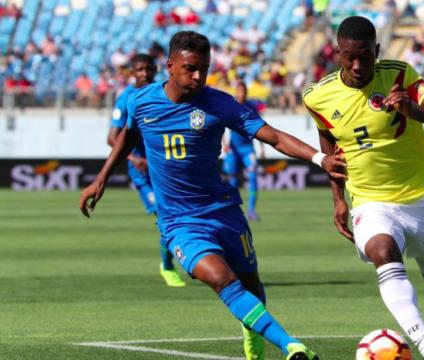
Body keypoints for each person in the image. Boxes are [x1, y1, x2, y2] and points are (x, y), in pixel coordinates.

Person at [80, 31, 346, 360]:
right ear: (170, 66)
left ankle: (253, 333)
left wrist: (320, 159)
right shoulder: (141, 101)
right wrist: (102, 178)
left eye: (204, 69)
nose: (198, 76)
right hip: (180, 221)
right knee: (221, 279)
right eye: (191, 68)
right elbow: (128, 135)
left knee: (251, 285)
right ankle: (292, 346)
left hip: (223, 211)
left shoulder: (218, 103)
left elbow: (273, 136)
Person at [302, 16, 424, 360]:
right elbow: (329, 141)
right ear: (337, 54)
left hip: (423, 197)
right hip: (370, 202)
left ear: (376, 50)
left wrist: (412, 110)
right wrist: (338, 200)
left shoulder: (401, 74)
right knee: (383, 253)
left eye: (365, 56)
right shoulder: (317, 96)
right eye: (349, 57)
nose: (357, 65)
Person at [108, 54, 185, 287]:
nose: (144, 74)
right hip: (142, 173)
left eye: (148, 69)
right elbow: (112, 138)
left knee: (177, 216)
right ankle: (167, 266)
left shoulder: (165, 93)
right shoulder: (125, 99)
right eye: (139, 70)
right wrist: (133, 158)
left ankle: (181, 260)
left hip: (165, 169)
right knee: (164, 215)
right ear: (132, 73)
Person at [222, 81, 265, 221]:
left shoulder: (252, 107)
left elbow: (260, 127)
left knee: (253, 176)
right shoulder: (231, 105)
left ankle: (251, 210)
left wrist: (262, 147)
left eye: (244, 91)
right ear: (236, 91)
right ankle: (233, 209)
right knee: (231, 179)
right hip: (233, 148)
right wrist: (224, 144)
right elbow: (222, 125)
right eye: (239, 91)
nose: (242, 93)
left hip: (248, 149)